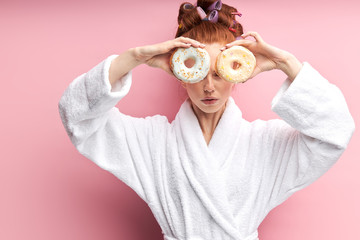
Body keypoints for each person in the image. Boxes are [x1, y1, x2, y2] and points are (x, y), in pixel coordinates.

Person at [58, 0, 355, 239]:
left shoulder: (265, 143)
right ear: (180, 73)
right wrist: (133, 57)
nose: (209, 86)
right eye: (198, 72)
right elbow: (77, 118)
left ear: (236, 72)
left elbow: (335, 131)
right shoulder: (152, 142)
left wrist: (285, 63)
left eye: (218, 73)